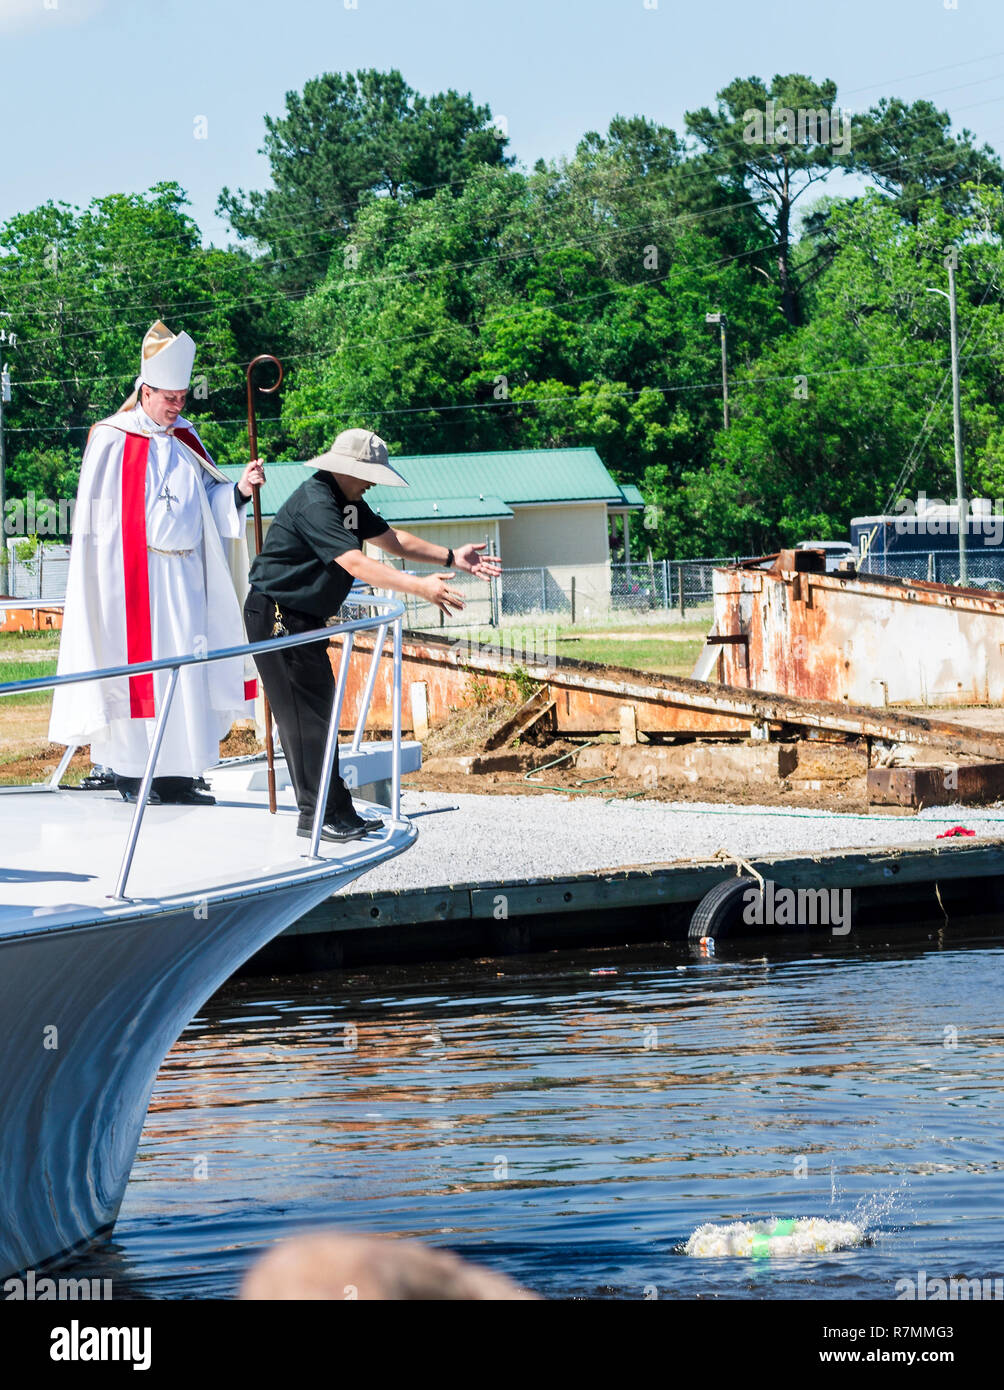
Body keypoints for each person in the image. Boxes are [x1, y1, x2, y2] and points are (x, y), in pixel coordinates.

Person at [245, 427, 501, 841]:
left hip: (302, 620)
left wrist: (453, 557)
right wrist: (421, 587)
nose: (372, 482)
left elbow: (392, 540)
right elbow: (357, 564)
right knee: (303, 721)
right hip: (276, 615)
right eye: (369, 474)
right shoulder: (317, 502)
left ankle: (336, 809)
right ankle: (317, 817)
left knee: (319, 716)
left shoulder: (349, 501)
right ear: (347, 468)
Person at [49, 320, 264, 805]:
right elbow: (97, 527)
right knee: (136, 671)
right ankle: (132, 773)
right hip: (132, 585)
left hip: (186, 579)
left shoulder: (187, 439)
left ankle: (179, 774)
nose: (176, 406)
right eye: (168, 397)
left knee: (186, 670)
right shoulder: (110, 438)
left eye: (182, 397)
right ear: (145, 391)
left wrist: (241, 489)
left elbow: (212, 500)